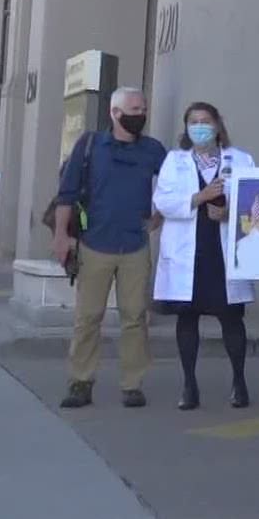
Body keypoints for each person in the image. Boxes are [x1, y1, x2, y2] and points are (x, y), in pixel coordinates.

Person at [54, 87, 168, 409]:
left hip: (135, 245)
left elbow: (177, 184)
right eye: (133, 108)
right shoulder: (90, 145)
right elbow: (67, 193)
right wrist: (61, 236)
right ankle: (80, 382)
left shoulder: (153, 150)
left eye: (143, 108)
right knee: (88, 317)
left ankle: (132, 384)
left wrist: (158, 216)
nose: (140, 114)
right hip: (94, 244)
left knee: (134, 317)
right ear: (115, 113)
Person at [152, 103, 258, 411]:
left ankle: (239, 381)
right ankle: (189, 384)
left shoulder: (241, 159)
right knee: (188, 318)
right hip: (189, 253)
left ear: (217, 125)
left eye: (206, 121)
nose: (200, 127)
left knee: (231, 319)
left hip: (222, 251)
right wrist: (200, 197)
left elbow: (257, 203)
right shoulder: (175, 160)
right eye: (193, 122)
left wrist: (229, 212)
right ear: (186, 128)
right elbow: (163, 201)